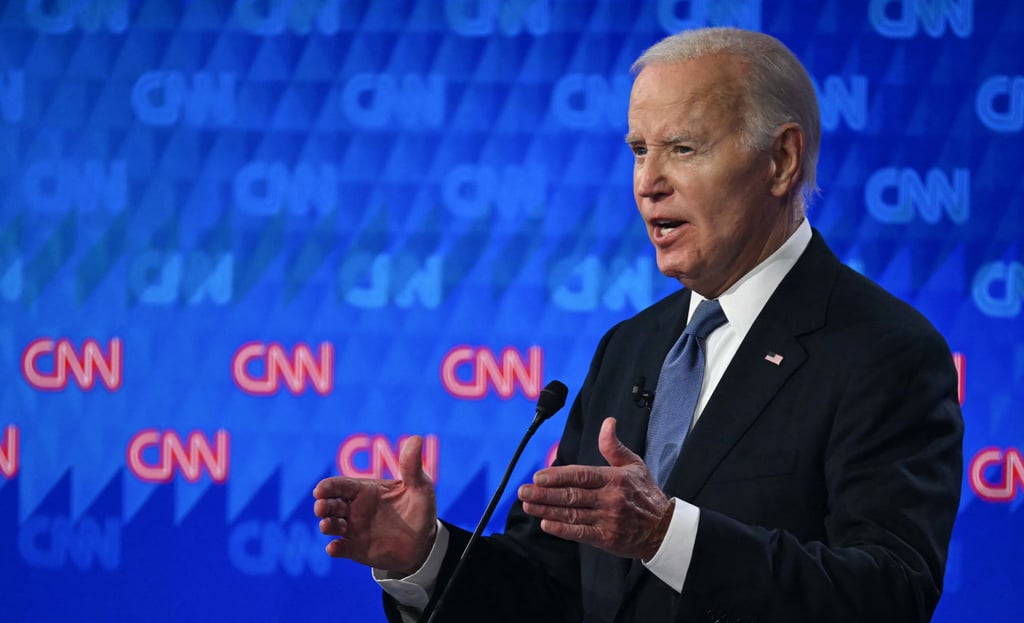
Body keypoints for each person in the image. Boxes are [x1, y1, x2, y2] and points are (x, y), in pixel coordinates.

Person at [313, 26, 963, 623]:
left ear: (781, 160)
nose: (649, 182)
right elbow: (552, 584)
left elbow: (889, 594)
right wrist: (425, 557)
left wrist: (665, 534)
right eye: (639, 150)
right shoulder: (630, 347)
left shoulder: (884, 352)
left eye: (683, 148)